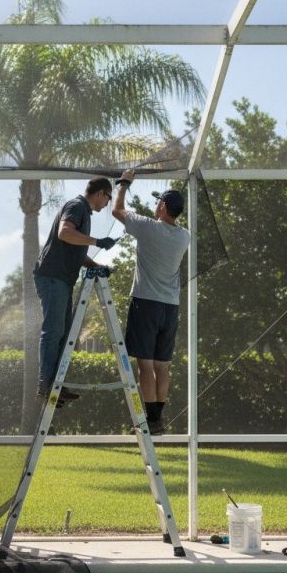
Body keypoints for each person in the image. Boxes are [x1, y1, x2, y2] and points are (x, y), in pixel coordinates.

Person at [112, 168, 190, 433]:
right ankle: (157, 421)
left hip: (146, 304)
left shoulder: (148, 228)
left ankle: (149, 421)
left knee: (145, 365)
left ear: (164, 206)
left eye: (158, 202)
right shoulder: (184, 236)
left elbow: (117, 210)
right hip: (170, 307)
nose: (155, 205)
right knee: (162, 366)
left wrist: (123, 183)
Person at [34, 177, 117, 401]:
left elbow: (74, 249)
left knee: (64, 333)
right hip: (52, 277)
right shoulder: (77, 206)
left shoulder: (84, 212)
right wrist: (98, 241)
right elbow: (64, 233)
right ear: (100, 193)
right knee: (53, 331)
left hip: (61, 278)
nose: (107, 203)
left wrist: (97, 266)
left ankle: (56, 384)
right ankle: (46, 385)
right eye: (108, 198)